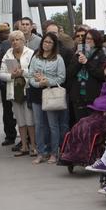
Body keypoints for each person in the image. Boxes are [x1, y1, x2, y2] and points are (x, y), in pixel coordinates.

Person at [27, 32, 67, 165]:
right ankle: (41, 152)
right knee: (39, 125)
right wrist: (38, 83)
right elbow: (30, 74)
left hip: (51, 94)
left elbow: (61, 78)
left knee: (52, 125)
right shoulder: (36, 56)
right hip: (37, 93)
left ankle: (54, 153)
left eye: (50, 42)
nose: (47, 44)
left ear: (54, 45)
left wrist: (47, 81)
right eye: (45, 41)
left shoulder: (58, 59)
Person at [0, 30, 37, 157]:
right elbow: (1, 74)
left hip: (28, 89)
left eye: (18, 39)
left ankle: (34, 147)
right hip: (14, 91)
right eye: (13, 40)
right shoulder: (7, 54)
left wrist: (22, 72)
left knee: (30, 120)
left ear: (23, 40)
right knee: (20, 121)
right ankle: (24, 146)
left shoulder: (31, 53)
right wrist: (11, 76)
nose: (15, 42)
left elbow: (35, 71)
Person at [70, 28, 106, 123]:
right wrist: (79, 63)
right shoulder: (78, 53)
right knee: (79, 125)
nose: (88, 41)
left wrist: (87, 63)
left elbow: (101, 75)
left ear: (97, 40)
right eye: (87, 38)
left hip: (93, 96)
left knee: (92, 125)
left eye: (91, 39)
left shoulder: (101, 54)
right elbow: (70, 73)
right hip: (78, 96)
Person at [0, 22, 17, 147]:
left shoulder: (10, 43)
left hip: (8, 79)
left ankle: (12, 135)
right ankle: (9, 135)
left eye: (8, 32)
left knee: (12, 109)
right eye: (4, 33)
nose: (7, 35)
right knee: (1, 110)